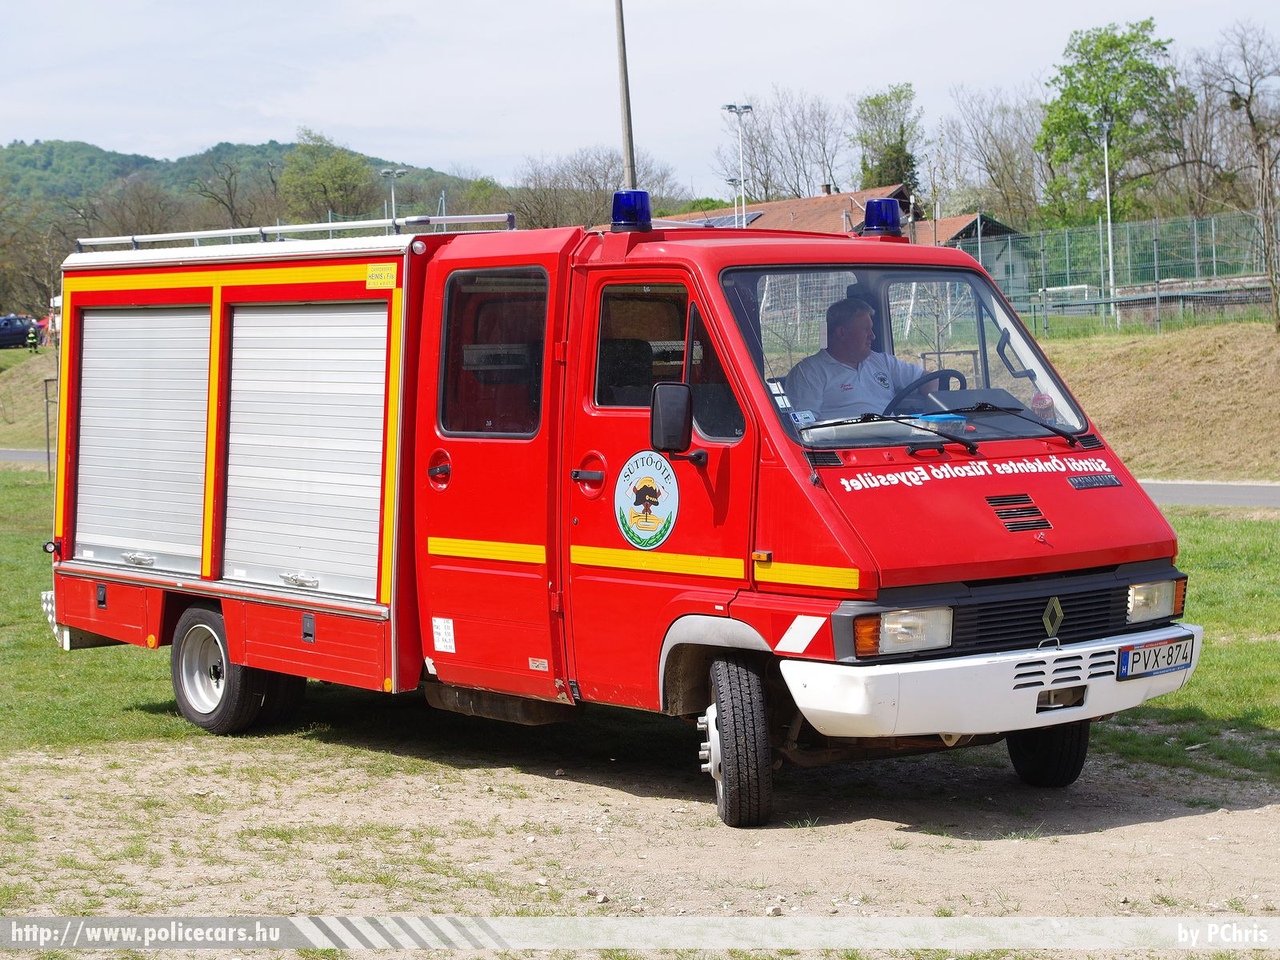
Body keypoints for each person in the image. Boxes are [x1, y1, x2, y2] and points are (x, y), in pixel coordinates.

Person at [785, 296, 927, 421]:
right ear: (842, 333)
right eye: (866, 329)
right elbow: (804, 425)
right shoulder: (809, 372)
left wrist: (935, 401)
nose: (872, 336)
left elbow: (927, 380)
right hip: (844, 442)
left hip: (896, 439)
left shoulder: (882, 362)